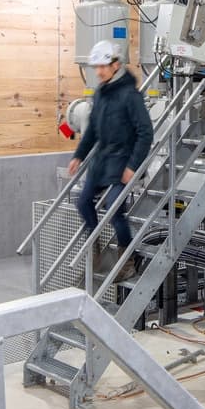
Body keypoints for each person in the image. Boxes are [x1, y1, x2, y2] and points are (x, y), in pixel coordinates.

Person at [68, 40, 153, 255]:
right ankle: (94, 243)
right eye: (96, 67)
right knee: (83, 202)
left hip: (124, 161)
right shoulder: (100, 94)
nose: (98, 72)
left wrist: (133, 166)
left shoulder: (130, 96)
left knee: (114, 209)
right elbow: (93, 131)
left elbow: (146, 132)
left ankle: (127, 257)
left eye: (102, 67)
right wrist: (79, 155)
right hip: (103, 160)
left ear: (116, 65)